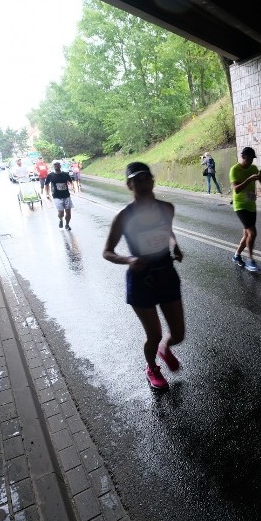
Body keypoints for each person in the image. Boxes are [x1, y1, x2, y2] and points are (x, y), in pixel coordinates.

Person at [102, 162, 185, 390]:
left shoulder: (166, 208)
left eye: (146, 179)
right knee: (154, 334)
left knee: (178, 334)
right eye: (137, 180)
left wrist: (174, 246)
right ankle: (152, 368)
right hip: (141, 281)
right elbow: (107, 252)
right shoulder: (123, 216)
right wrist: (129, 260)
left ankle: (165, 349)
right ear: (129, 185)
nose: (143, 184)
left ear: (153, 181)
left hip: (167, 275)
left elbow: (167, 231)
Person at [230, 146, 261, 272]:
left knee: (247, 235)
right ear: (243, 157)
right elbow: (236, 189)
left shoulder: (253, 168)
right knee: (252, 233)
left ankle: (236, 256)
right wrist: (249, 179)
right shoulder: (234, 170)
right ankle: (250, 260)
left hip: (251, 205)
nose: (251, 161)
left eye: (253, 159)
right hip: (240, 206)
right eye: (249, 158)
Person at [45, 161, 75, 230]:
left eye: (58, 165)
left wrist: (71, 186)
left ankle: (67, 225)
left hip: (66, 196)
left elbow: (70, 182)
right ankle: (61, 220)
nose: (57, 166)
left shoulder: (65, 174)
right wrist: (47, 193)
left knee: (68, 213)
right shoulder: (50, 175)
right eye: (55, 165)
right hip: (57, 196)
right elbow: (46, 185)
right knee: (61, 212)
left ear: (60, 166)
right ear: (53, 166)